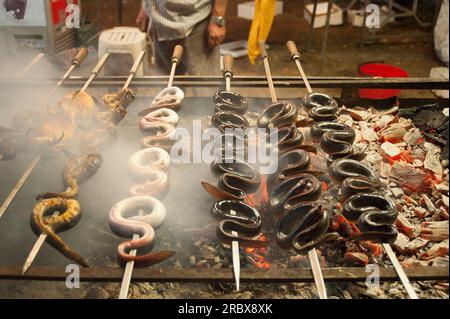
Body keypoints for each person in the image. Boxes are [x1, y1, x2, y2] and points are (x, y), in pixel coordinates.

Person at [137, 0, 228, 75]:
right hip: (158, 19)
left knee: (205, 87)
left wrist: (218, 18)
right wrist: (145, 6)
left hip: (196, 20)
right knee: (167, 88)